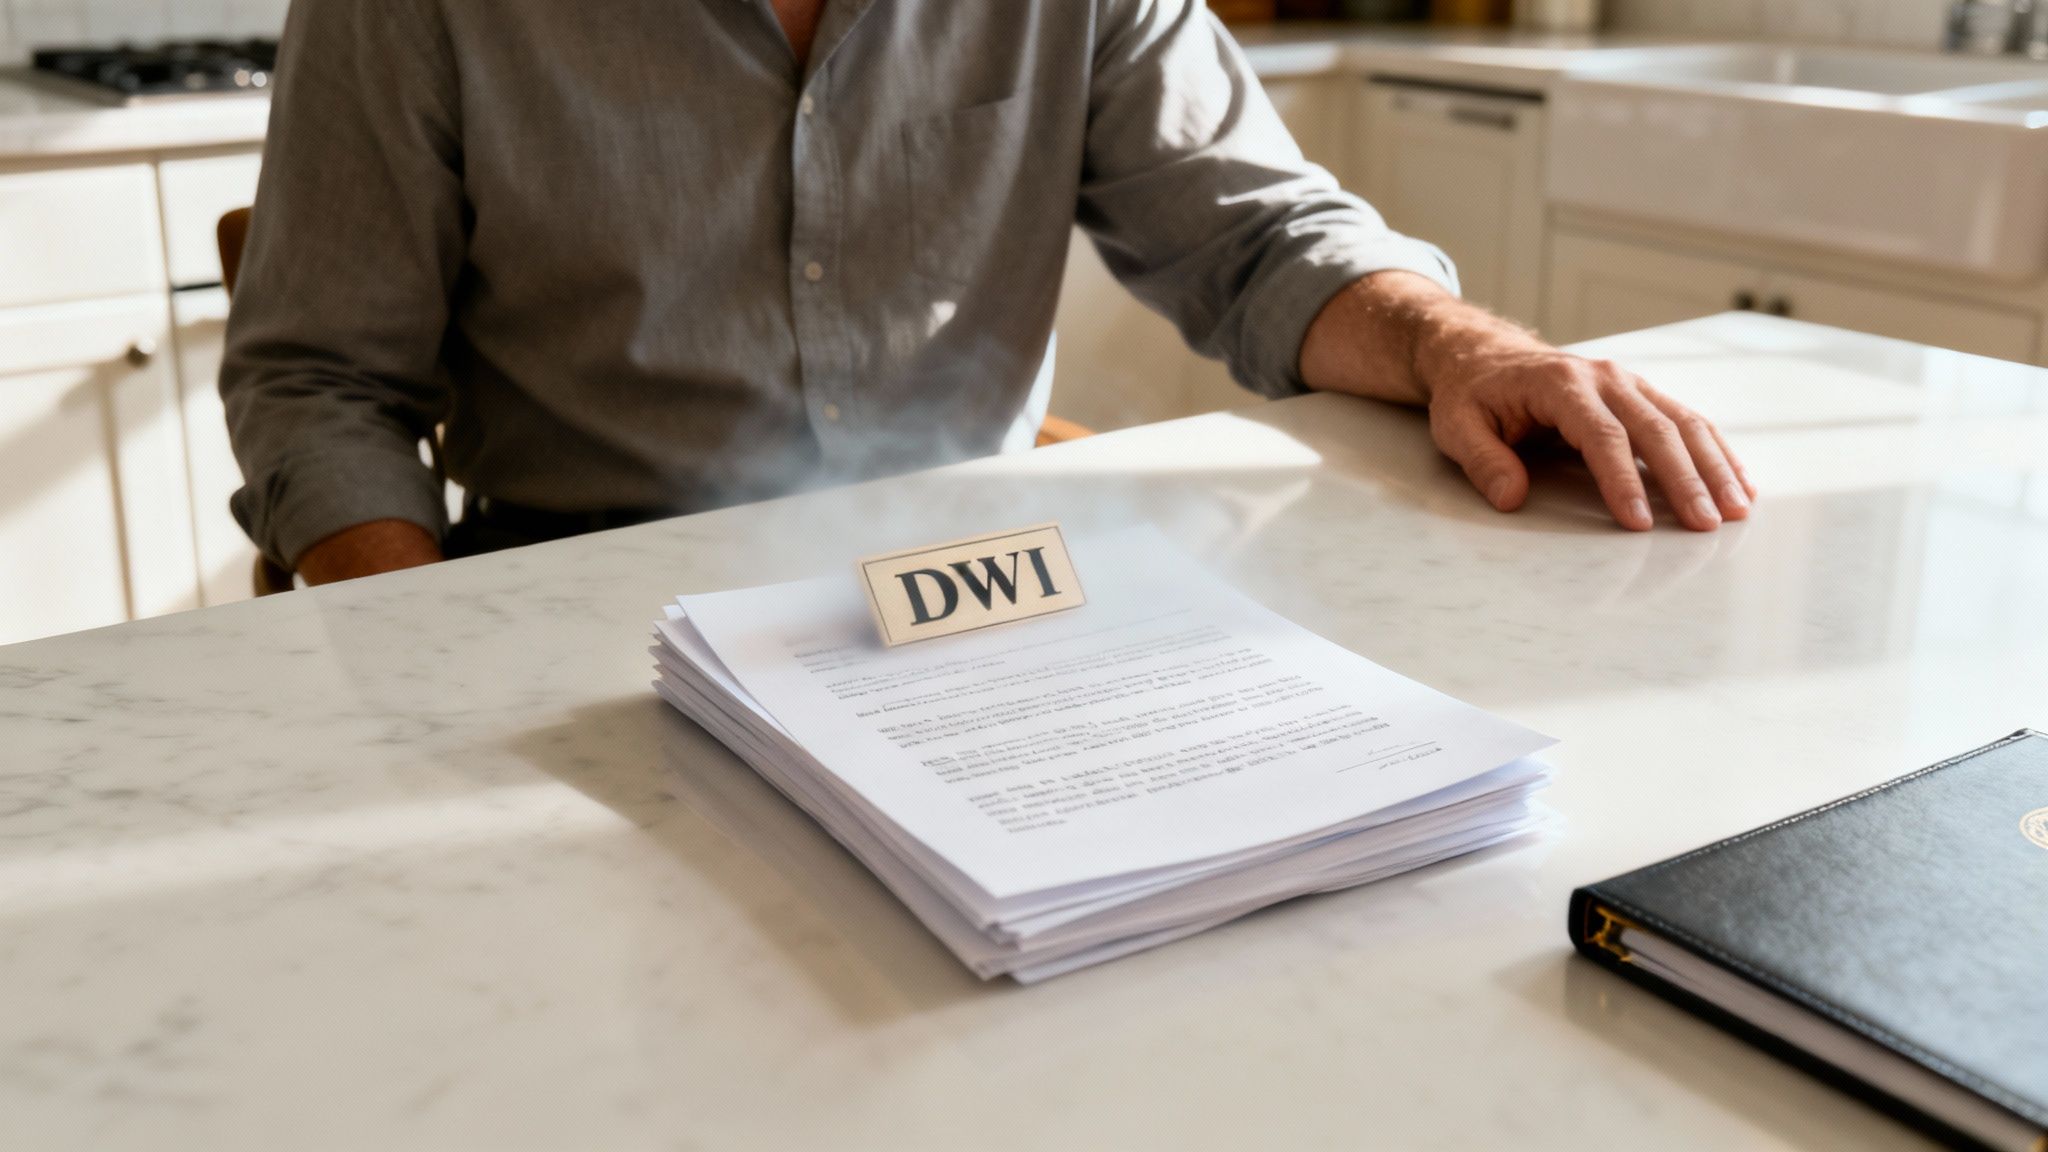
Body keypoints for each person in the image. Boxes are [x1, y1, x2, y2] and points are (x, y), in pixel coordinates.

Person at [222, 0, 1754, 588]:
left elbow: (1260, 241)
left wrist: (1459, 347)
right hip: (582, 585)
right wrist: (426, 652)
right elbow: (321, 385)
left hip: (974, 593)